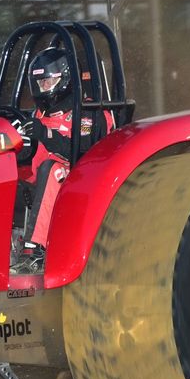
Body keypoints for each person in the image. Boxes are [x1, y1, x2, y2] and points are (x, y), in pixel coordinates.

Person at [16, 47, 112, 271]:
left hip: (82, 178)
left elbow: (82, 153)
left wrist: (45, 134)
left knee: (52, 169)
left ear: (66, 78)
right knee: (7, 167)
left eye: (49, 82)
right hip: (42, 178)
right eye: (41, 84)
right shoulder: (39, 114)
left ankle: (35, 250)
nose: (45, 89)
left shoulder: (89, 113)